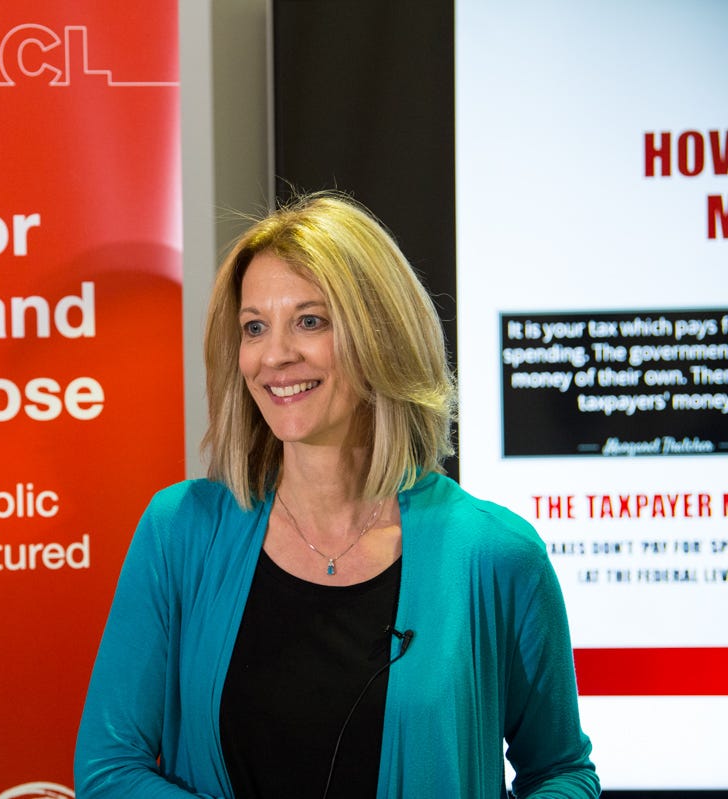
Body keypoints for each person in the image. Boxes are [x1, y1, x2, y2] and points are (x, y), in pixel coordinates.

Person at [74, 193, 599, 798]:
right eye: (254, 327)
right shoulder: (181, 530)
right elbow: (109, 769)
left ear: (382, 335)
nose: (275, 356)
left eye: (310, 321)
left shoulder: (494, 554)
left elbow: (562, 772)